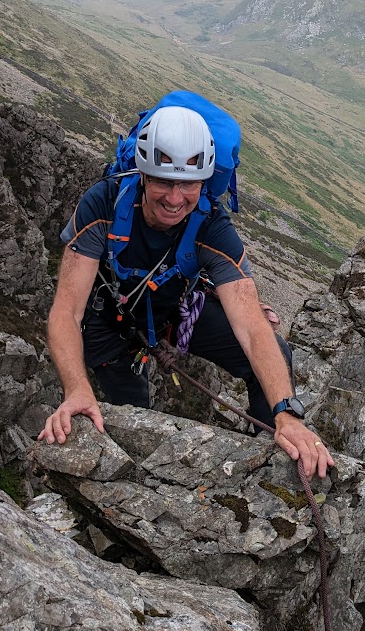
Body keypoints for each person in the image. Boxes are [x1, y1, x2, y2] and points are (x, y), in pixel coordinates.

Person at [38, 105, 333, 479]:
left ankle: (272, 464)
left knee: (275, 354)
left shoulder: (211, 225)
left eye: (189, 184)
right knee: (134, 420)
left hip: (173, 315)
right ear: (143, 175)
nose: (175, 199)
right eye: (163, 181)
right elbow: (66, 311)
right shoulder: (104, 204)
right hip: (108, 324)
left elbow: (253, 328)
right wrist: (77, 389)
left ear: (204, 182)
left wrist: (287, 414)